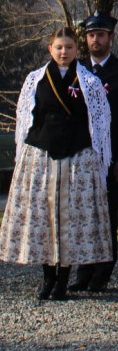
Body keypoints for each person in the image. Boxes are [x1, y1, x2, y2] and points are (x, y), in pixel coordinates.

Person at [0, 27, 112, 300]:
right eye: (59, 47)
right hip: (42, 154)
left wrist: (97, 157)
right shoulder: (35, 79)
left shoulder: (89, 82)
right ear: (50, 49)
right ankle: (47, 278)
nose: (64, 52)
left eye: (69, 47)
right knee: (43, 218)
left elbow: (99, 123)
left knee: (70, 219)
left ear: (77, 50)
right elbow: (27, 119)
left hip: (77, 157)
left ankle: (63, 280)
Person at [68, 11, 118, 293]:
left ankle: (102, 272)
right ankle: (82, 271)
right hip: (80, 157)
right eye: (90, 35)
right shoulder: (76, 71)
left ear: (110, 37)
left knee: (106, 214)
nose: (94, 40)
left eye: (100, 35)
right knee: (82, 215)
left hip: (109, 158)